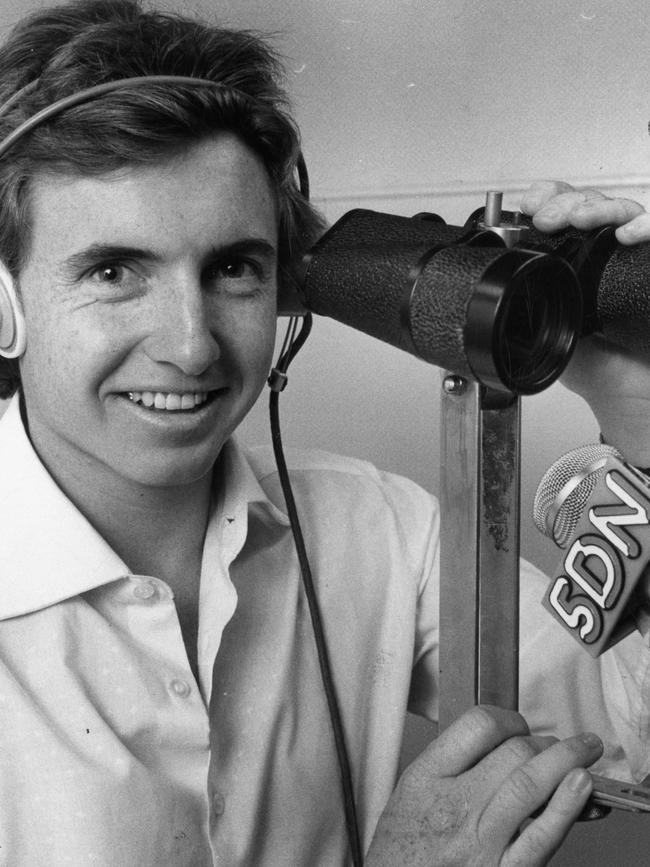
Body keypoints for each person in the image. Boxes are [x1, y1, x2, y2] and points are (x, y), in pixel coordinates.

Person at [0, 1, 634, 865]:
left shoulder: (375, 526)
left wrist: (629, 392)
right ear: (6, 304)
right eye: (114, 271)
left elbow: (630, 731)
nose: (191, 345)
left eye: (233, 268)